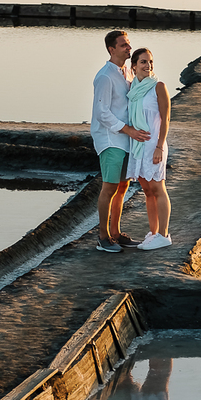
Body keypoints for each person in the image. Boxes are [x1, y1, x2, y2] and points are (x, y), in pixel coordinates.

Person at [90, 30, 150, 253]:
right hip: (110, 139)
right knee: (109, 187)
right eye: (124, 45)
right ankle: (103, 237)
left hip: (126, 139)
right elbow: (101, 112)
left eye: (129, 44)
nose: (129, 48)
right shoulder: (105, 76)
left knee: (122, 187)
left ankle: (115, 233)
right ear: (111, 49)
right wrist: (128, 130)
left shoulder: (127, 72)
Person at [125, 47, 173, 250]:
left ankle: (164, 234)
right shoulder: (133, 89)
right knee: (147, 190)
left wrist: (160, 146)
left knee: (158, 188)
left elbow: (166, 119)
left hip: (154, 144)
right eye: (143, 62)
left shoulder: (158, 86)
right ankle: (153, 233)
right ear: (134, 66)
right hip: (139, 145)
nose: (148, 65)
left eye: (150, 61)